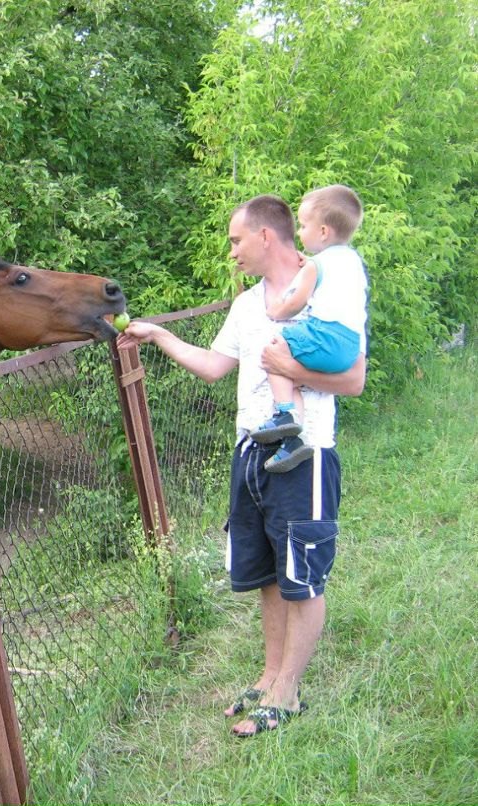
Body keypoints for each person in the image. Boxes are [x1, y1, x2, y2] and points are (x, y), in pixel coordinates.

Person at [118, 194, 366, 737]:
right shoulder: (247, 304)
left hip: (305, 455)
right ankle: (270, 676)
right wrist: (159, 335)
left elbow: (353, 379)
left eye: (236, 241)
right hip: (251, 452)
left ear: (265, 236)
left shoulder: (327, 285)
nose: (231, 252)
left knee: (302, 576)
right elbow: (214, 366)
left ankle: (288, 692)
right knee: (269, 575)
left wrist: (288, 368)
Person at [252, 185, 369, 473]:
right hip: (349, 345)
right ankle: (292, 442)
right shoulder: (353, 261)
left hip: (324, 335)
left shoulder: (315, 266)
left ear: (323, 232)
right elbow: (330, 277)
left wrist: (276, 310)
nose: (300, 232)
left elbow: (296, 302)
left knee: (275, 351)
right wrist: (310, 265)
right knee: (291, 378)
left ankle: (285, 414)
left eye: (304, 226)